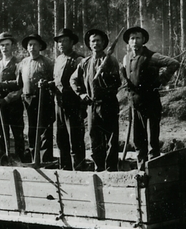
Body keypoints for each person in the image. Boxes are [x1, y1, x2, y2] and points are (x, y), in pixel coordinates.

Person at [120, 27, 180, 166]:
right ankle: (141, 165)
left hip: (150, 100)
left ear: (143, 40)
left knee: (152, 135)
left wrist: (161, 80)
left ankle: (154, 165)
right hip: (135, 102)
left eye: (138, 38)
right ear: (128, 42)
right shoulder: (126, 57)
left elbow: (173, 63)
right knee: (138, 136)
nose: (135, 41)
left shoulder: (152, 56)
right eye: (132, 38)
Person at [70, 29, 122, 171]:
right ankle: (99, 167)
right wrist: (81, 94)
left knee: (111, 138)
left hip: (108, 104)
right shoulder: (85, 63)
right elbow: (73, 80)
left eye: (98, 40)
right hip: (92, 105)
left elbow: (117, 82)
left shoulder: (111, 60)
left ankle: (111, 168)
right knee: (95, 137)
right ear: (89, 44)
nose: (96, 43)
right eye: (93, 41)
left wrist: (104, 75)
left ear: (103, 43)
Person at [0, 32, 23, 160]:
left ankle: (20, 159)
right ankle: (2, 159)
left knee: (18, 134)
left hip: (14, 105)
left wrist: (7, 99)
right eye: (2, 45)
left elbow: (20, 85)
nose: (5, 48)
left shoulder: (18, 64)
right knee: (0, 134)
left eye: (7, 45)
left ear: (12, 46)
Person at [51, 28, 86, 170]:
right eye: (59, 41)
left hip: (73, 104)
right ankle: (64, 168)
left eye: (64, 40)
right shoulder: (58, 59)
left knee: (75, 138)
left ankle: (78, 168)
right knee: (61, 137)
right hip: (58, 103)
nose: (61, 44)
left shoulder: (78, 59)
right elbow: (56, 80)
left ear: (72, 42)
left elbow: (82, 83)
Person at [17, 33, 54, 164]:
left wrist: (46, 84)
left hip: (43, 99)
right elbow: (19, 83)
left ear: (40, 47)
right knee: (31, 129)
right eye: (30, 45)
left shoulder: (47, 62)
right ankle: (34, 157)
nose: (32, 47)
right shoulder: (23, 63)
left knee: (44, 129)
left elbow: (53, 80)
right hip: (28, 100)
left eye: (35, 45)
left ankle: (45, 158)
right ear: (27, 48)